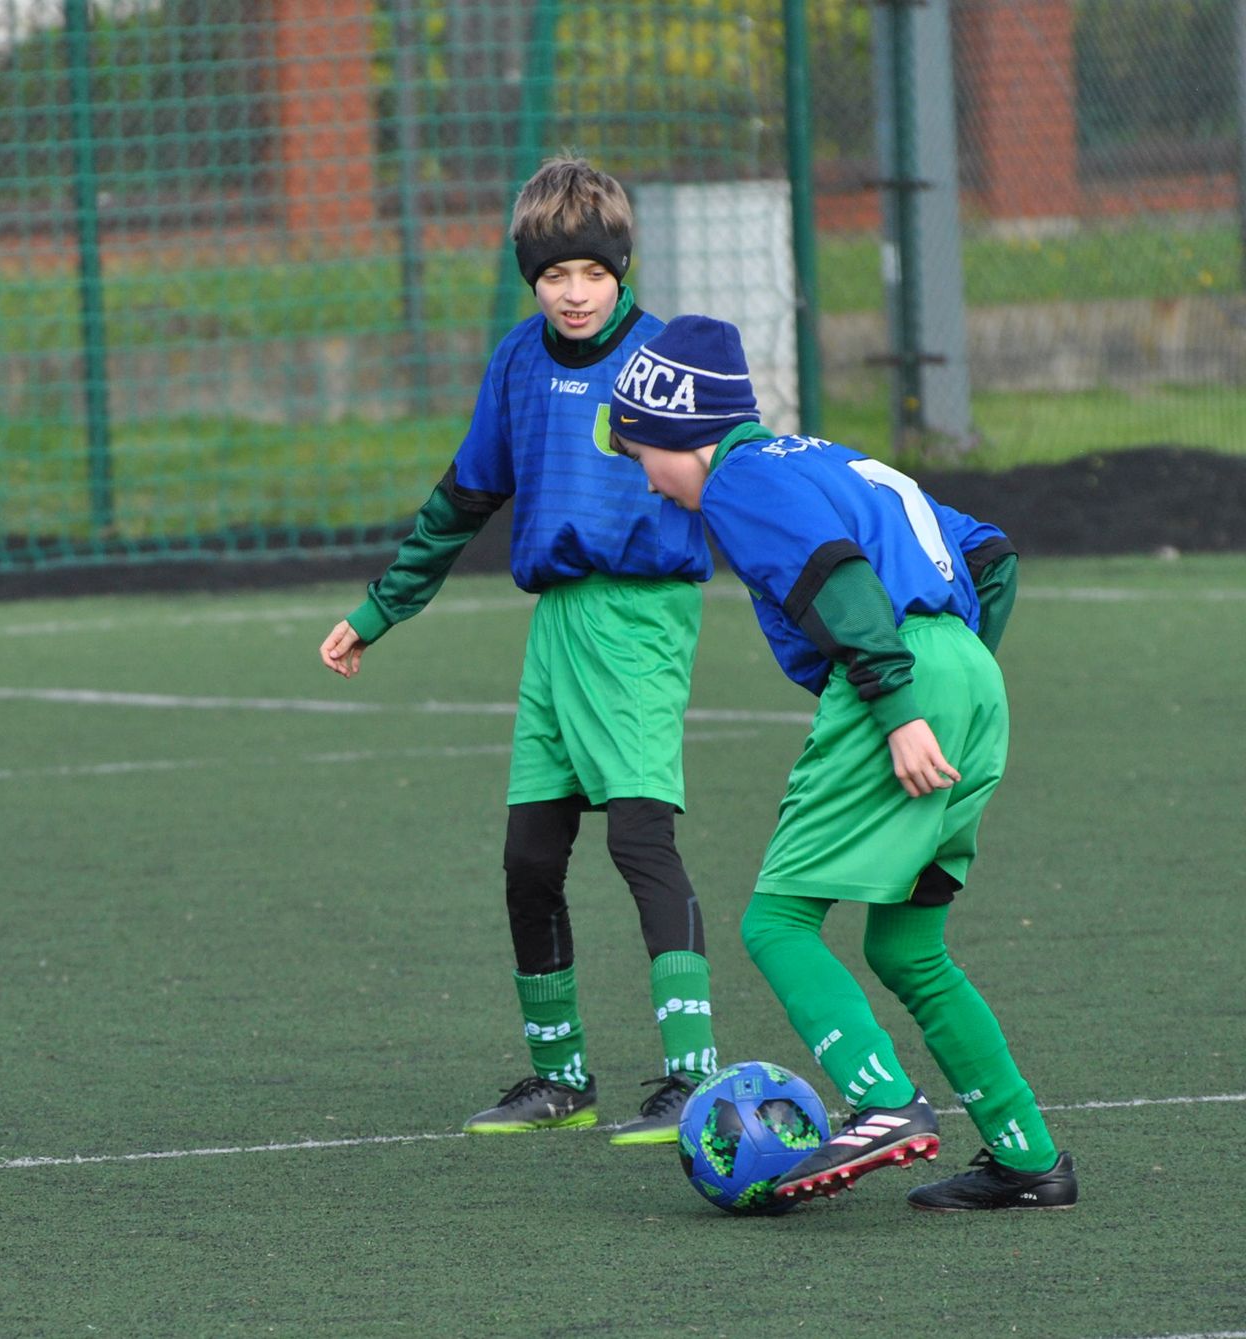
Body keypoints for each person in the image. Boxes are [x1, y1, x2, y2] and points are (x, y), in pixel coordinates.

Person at [607, 314, 1078, 1211]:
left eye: (642, 454)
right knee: (908, 945)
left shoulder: (740, 479)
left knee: (777, 923)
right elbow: (990, 553)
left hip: (896, 678)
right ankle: (1028, 1155)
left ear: (682, 432)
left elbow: (839, 581)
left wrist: (902, 706)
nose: (648, 478)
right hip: (969, 678)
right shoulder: (826, 458)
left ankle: (884, 1102)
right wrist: (955, 677)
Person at [318, 156, 721, 1145]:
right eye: (552, 276)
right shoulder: (516, 363)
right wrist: (378, 610)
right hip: (556, 628)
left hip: (640, 619)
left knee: (639, 840)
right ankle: (561, 1079)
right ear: (529, 279)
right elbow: (462, 500)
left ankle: (694, 1077)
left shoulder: (665, 359)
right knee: (530, 856)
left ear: (622, 269)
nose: (573, 293)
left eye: (591, 273)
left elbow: (741, 479)